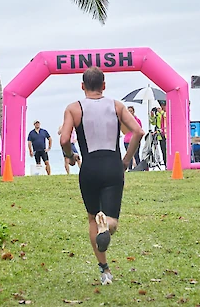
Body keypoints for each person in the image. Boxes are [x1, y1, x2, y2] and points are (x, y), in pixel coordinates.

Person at [60, 67, 144, 286]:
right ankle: (108, 224)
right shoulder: (116, 105)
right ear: (104, 86)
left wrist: (70, 156)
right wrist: (126, 160)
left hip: (89, 167)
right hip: (112, 165)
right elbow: (138, 131)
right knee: (110, 219)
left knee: (92, 217)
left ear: (82, 86)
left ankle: (104, 269)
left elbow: (64, 140)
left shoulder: (73, 108)